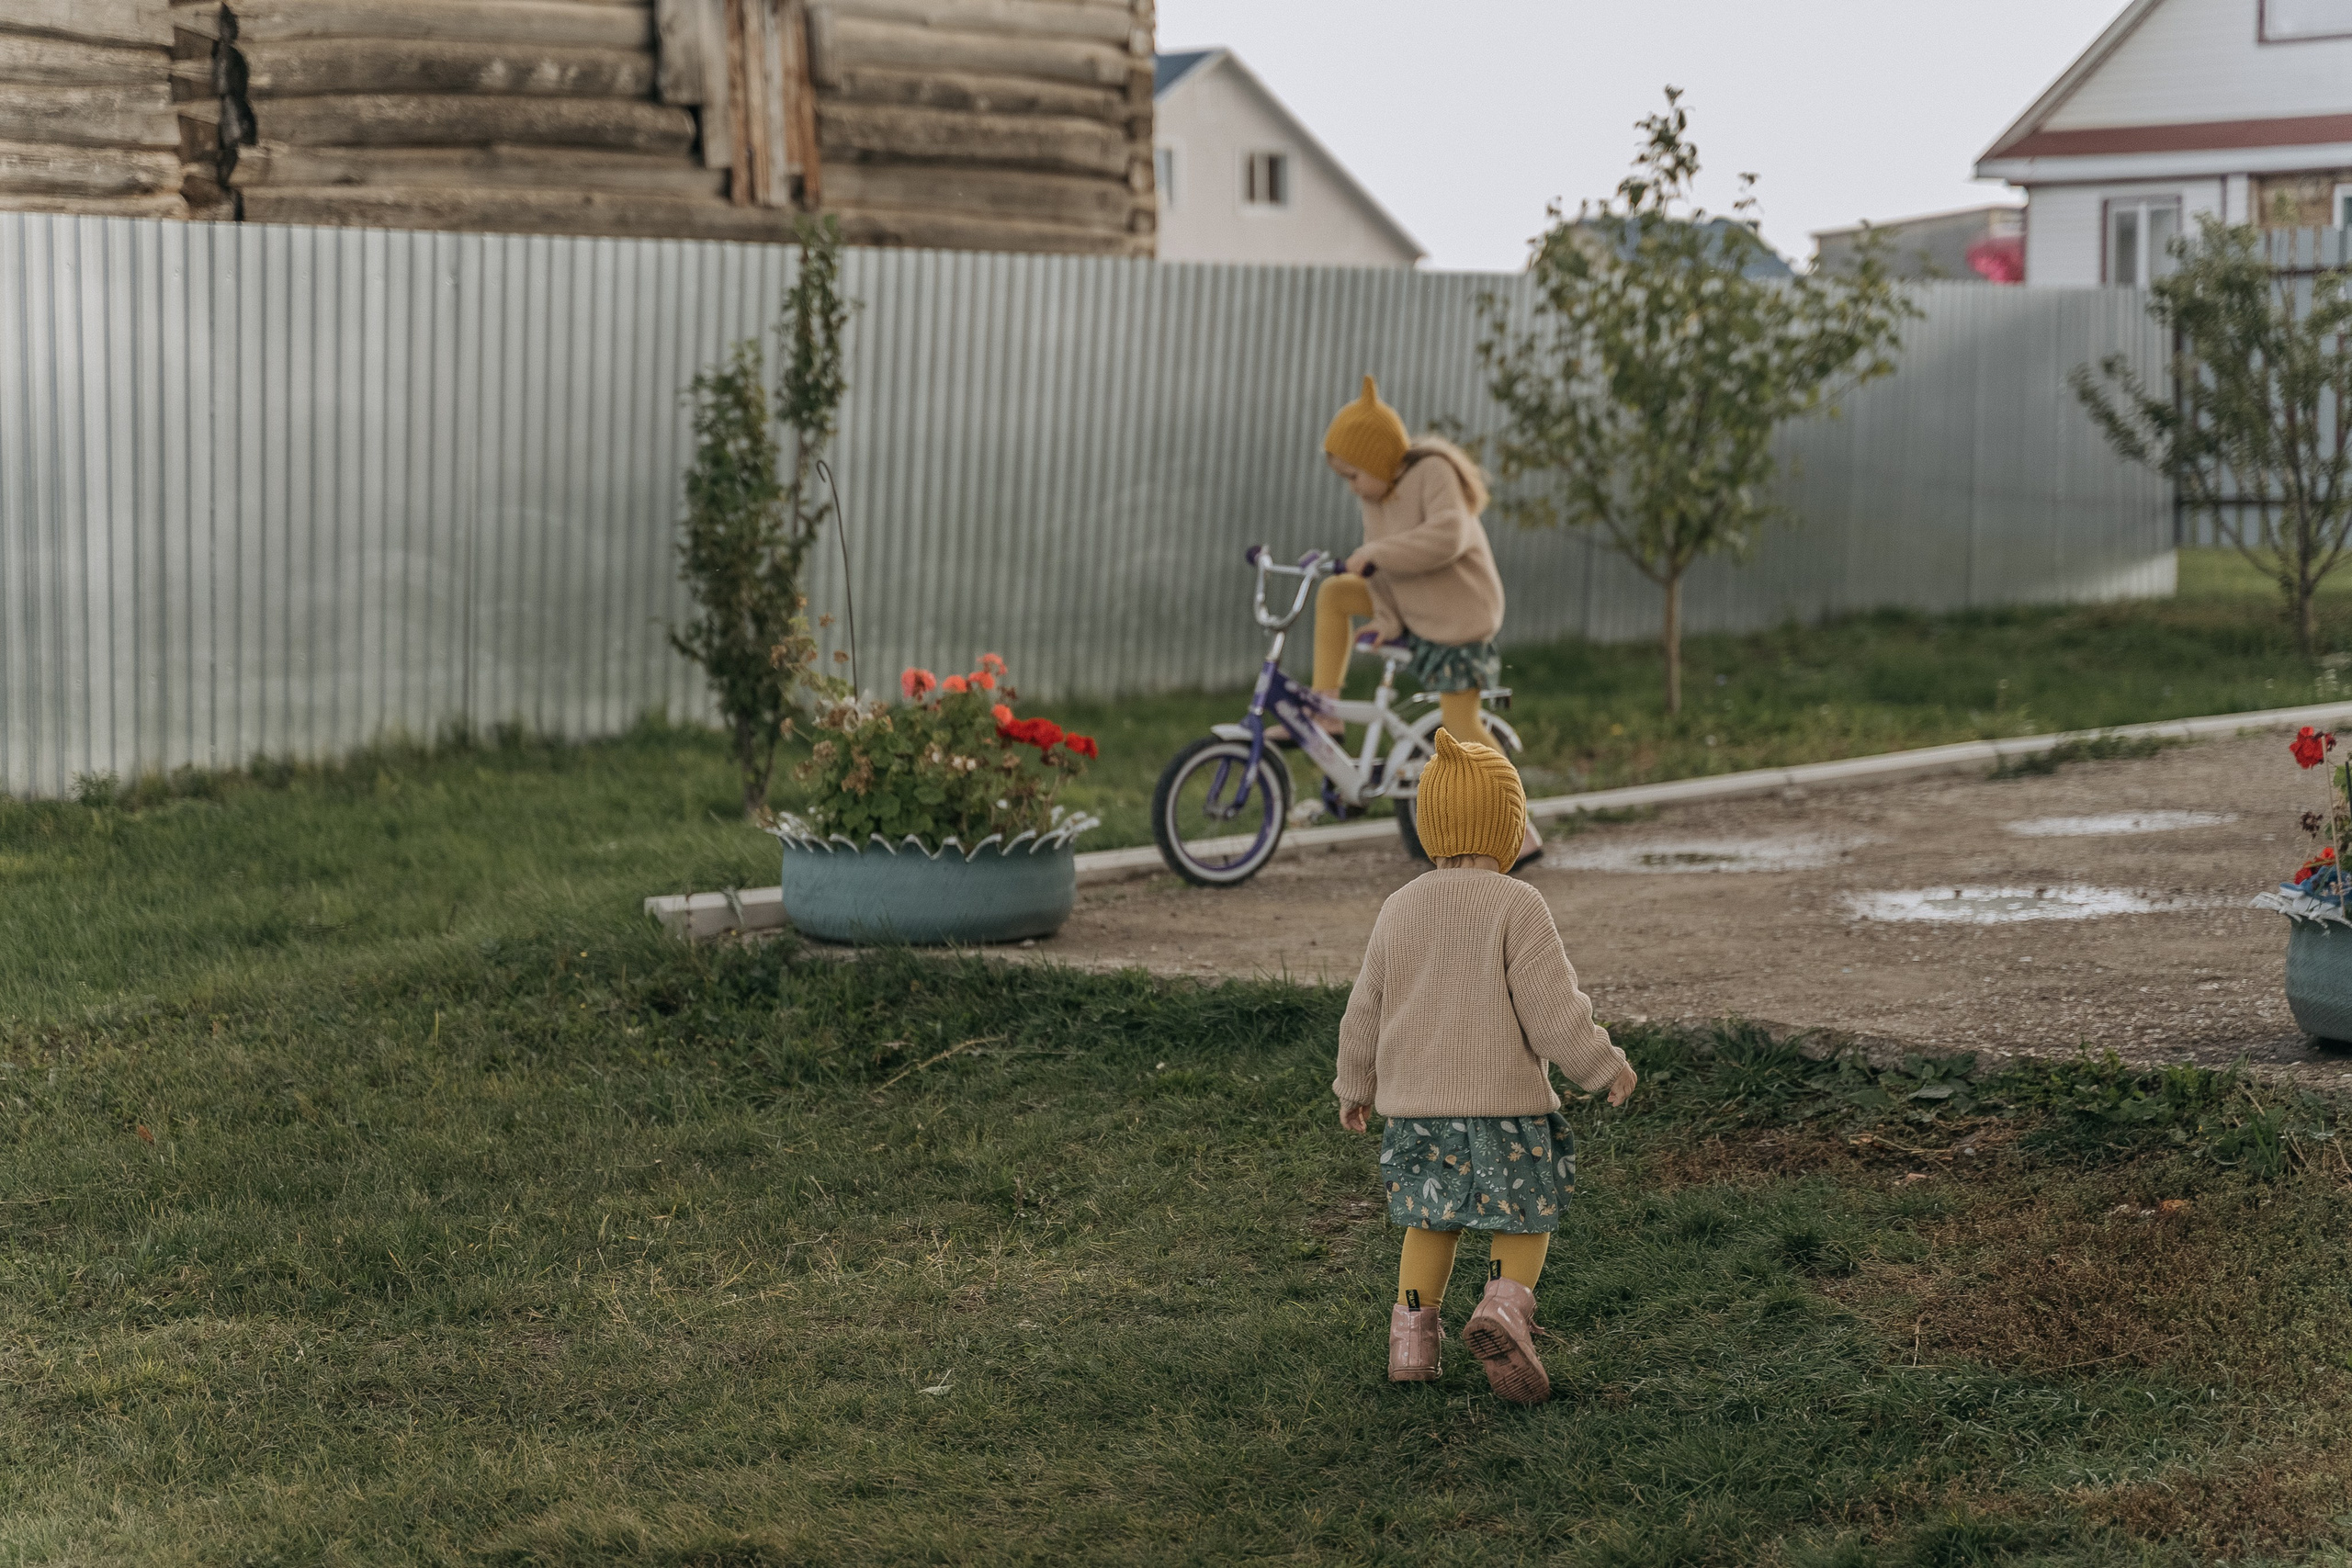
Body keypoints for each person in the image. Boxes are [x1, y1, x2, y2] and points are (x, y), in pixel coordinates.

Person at [1332, 728, 1637, 1403]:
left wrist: (1354, 1084)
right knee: (1523, 1212)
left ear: (1429, 825)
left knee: (1429, 1219)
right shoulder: (1517, 904)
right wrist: (1601, 1063)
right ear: (1507, 825)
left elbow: (1365, 1008)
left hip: (1416, 1111)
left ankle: (1412, 1339)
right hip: (1507, 1105)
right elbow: (1552, 1008)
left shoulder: (1399, 906)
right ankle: (1503, 1308)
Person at [1313, 375, 1541, 869]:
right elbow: (1381, 572)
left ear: (1378, 460)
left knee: (1463, 728)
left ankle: (1520, 829)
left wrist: (1373, 552)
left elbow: (1447, 538)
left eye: (1354, 475)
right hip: (1415, 614)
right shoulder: (1373, 498)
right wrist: (1387, 618)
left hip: (1461, 620)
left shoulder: (1432, 472)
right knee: (1335, 591)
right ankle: (1325, 712)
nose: (1352, 487)